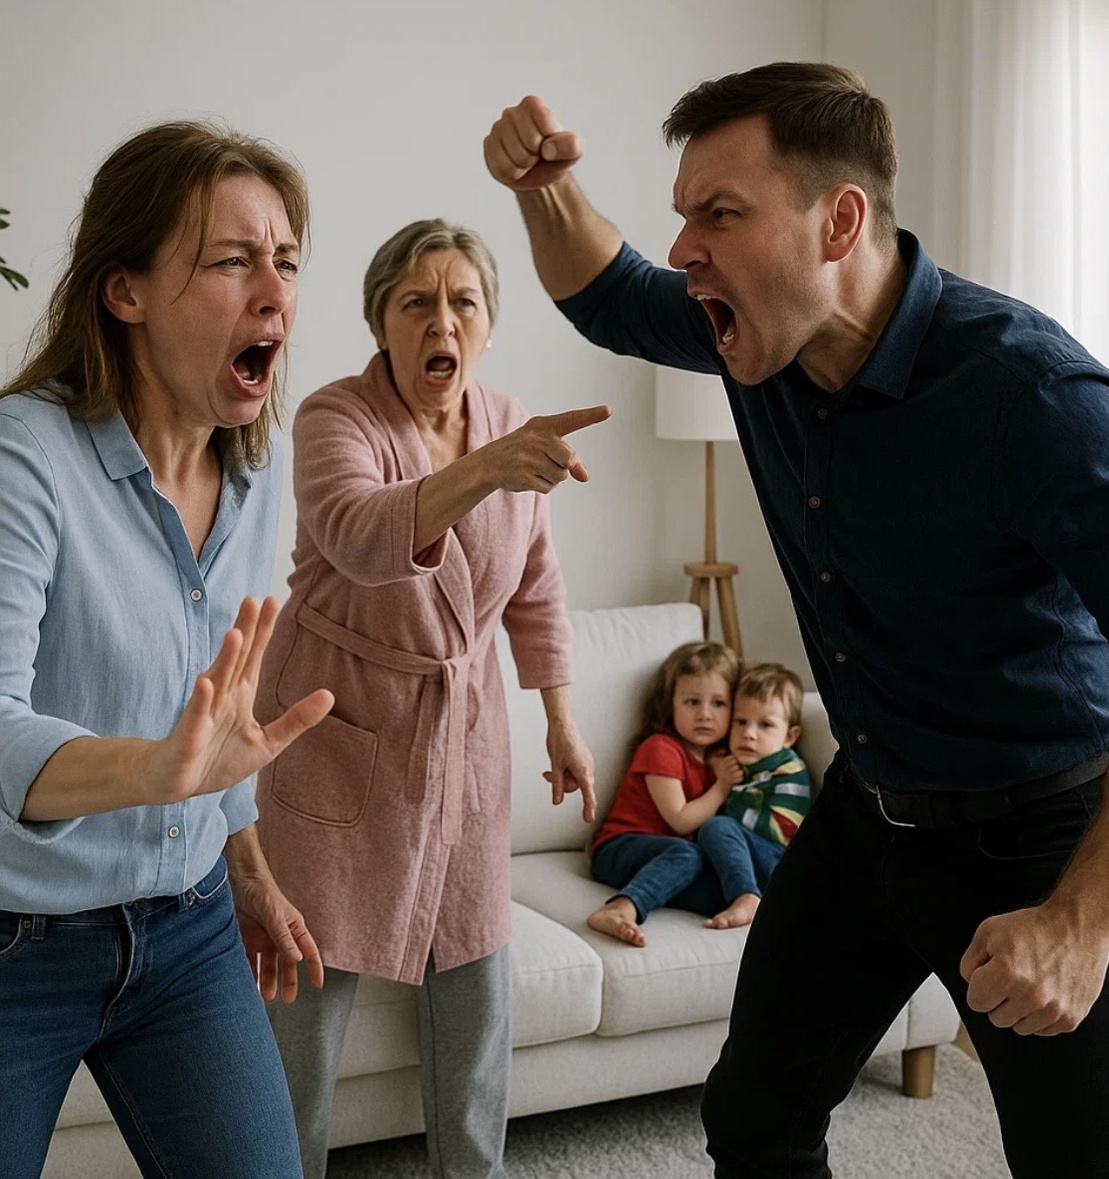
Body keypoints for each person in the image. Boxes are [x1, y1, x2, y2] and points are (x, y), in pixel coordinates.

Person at [483, 63, 1109, 1178]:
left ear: (839, 223)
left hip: (1033, 835)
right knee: (755, 1123)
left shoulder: (1034, 395)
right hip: (868, 812)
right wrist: (544, 188)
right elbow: (610, 293)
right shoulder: (754, 337)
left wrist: (1081, 921)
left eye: (721, 214)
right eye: (684, 215)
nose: (684, 249)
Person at [0, 121, 335, 1179]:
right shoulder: (23, 457)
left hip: (188, 930)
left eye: (285, 261)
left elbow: (215, 723)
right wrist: (152, 770)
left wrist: (248, 869)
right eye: (233, 261)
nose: (274, 293)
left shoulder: (255, 472)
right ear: (125, 291)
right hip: (18, 938)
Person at [253, 217, 608, 1179]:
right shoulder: (334, 416)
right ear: (381, 323)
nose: (440, 319)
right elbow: (359, 533)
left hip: (464, 733)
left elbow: (535, 586)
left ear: (487, 325)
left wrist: (561, 718)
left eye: (463, 301)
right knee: (306, 989)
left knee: (474, 979)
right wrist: (488, 467)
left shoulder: (509, 420)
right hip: (337, 723)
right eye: (416, 301)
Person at [587, 639, 784, 945]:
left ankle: (750, 901)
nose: (705, 714)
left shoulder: (723, 757)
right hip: (620, 848)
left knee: (722, 884)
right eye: (692, 702)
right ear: (670, 706)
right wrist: (722, 785)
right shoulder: (660, 748)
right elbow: (680, 821)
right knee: (687, 854)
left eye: (718, 704)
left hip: (679, 858)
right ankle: (619, 909)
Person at [718, 661, 811, 850]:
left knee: (718, 828)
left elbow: (784, 831)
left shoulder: (789, 771)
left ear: (789, 737)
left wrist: (730, 800)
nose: (748, 734)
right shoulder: (732, 761)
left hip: (776, 855)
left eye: (765, 725)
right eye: (741, 721)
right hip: (738, 847)